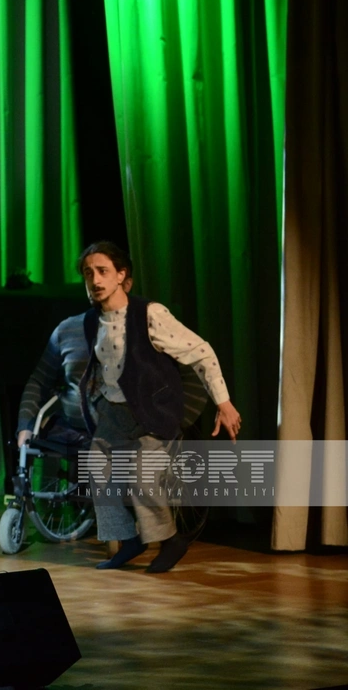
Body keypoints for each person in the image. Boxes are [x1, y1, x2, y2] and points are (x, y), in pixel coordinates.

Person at [67, 241, 241, 573]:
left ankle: (171, 540)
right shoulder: (91, 321)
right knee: (98, 471)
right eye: (88, 273)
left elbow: (201, 352)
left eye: (103, 271)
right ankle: (130, 540)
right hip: (114, 411)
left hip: (152, 411)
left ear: (121, 275)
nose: (95, 280)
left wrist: (224, 402)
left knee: (141, 477)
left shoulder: (149, 314)